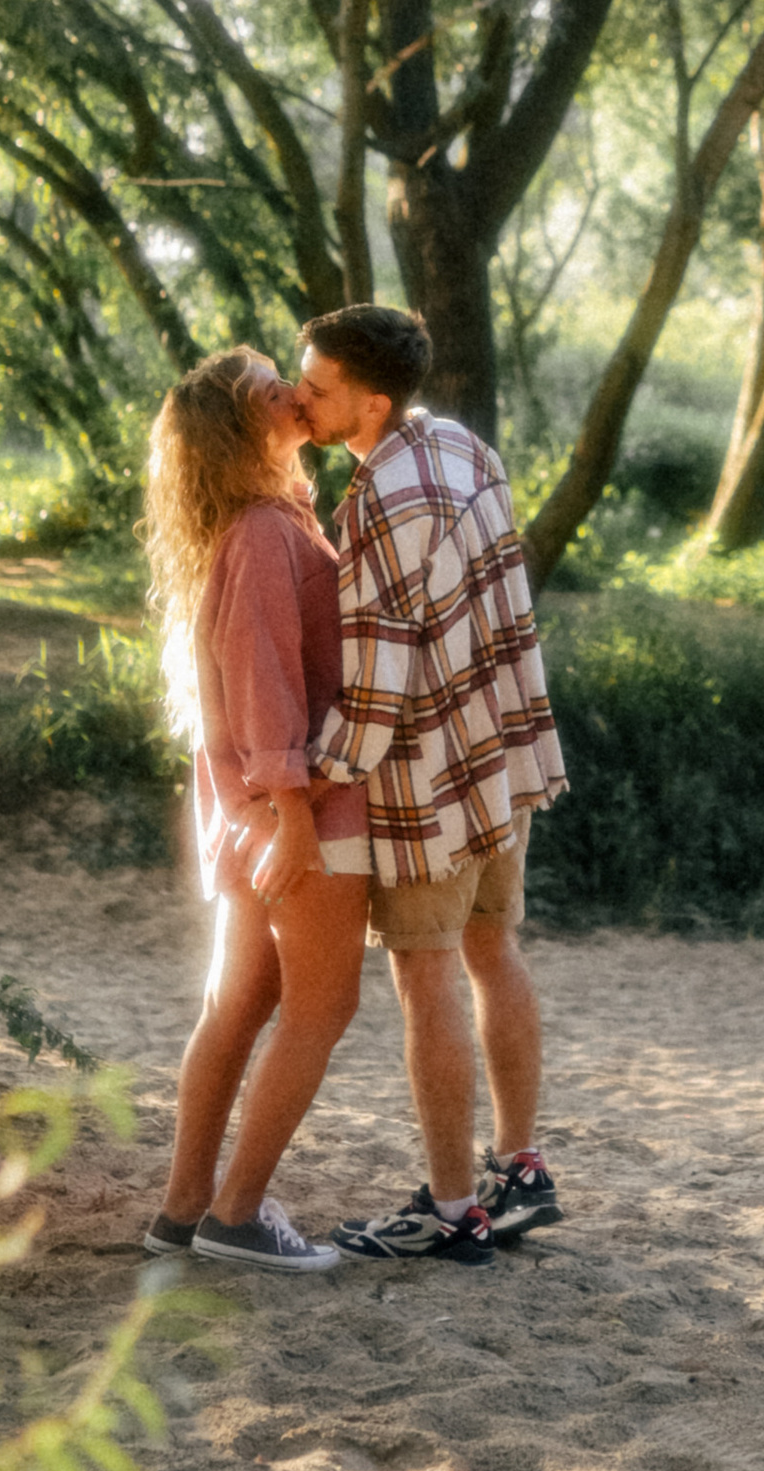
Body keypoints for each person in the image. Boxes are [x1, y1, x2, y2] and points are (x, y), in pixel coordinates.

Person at [292, 303, 568, 1267]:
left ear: (370, 400)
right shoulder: (458, 443)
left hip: (428, 775)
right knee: (494, 948)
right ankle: (520, 1171)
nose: (301, 400)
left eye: (317, 389)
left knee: (426, 974)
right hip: (503, 752)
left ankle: (453, 1210)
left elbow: (376, 685)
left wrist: (310, 774)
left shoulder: (377, 502)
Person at [141, 346, 371, 1271]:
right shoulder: (268, 536)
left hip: (252, 811)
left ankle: (183, 1210)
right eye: (267, 390)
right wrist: (295, 820)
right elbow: (269, 685)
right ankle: (236, 1217)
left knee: (238, 1006)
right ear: (244, 428)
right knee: (322, 1008)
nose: (290, 393)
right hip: (297, 813)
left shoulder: (257, 526)